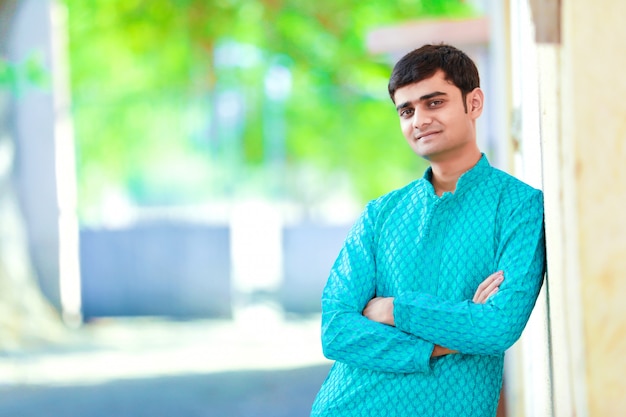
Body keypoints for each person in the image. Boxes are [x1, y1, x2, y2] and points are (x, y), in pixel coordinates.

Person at [310, 44, 546, 417]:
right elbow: (336, 331)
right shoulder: (380, 215)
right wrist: (451, 338)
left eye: (433, 103)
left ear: (474, 103)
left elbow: (498, 326)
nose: (418, 120)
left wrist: (394, 309)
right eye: (406, 110)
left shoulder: (519, 206)